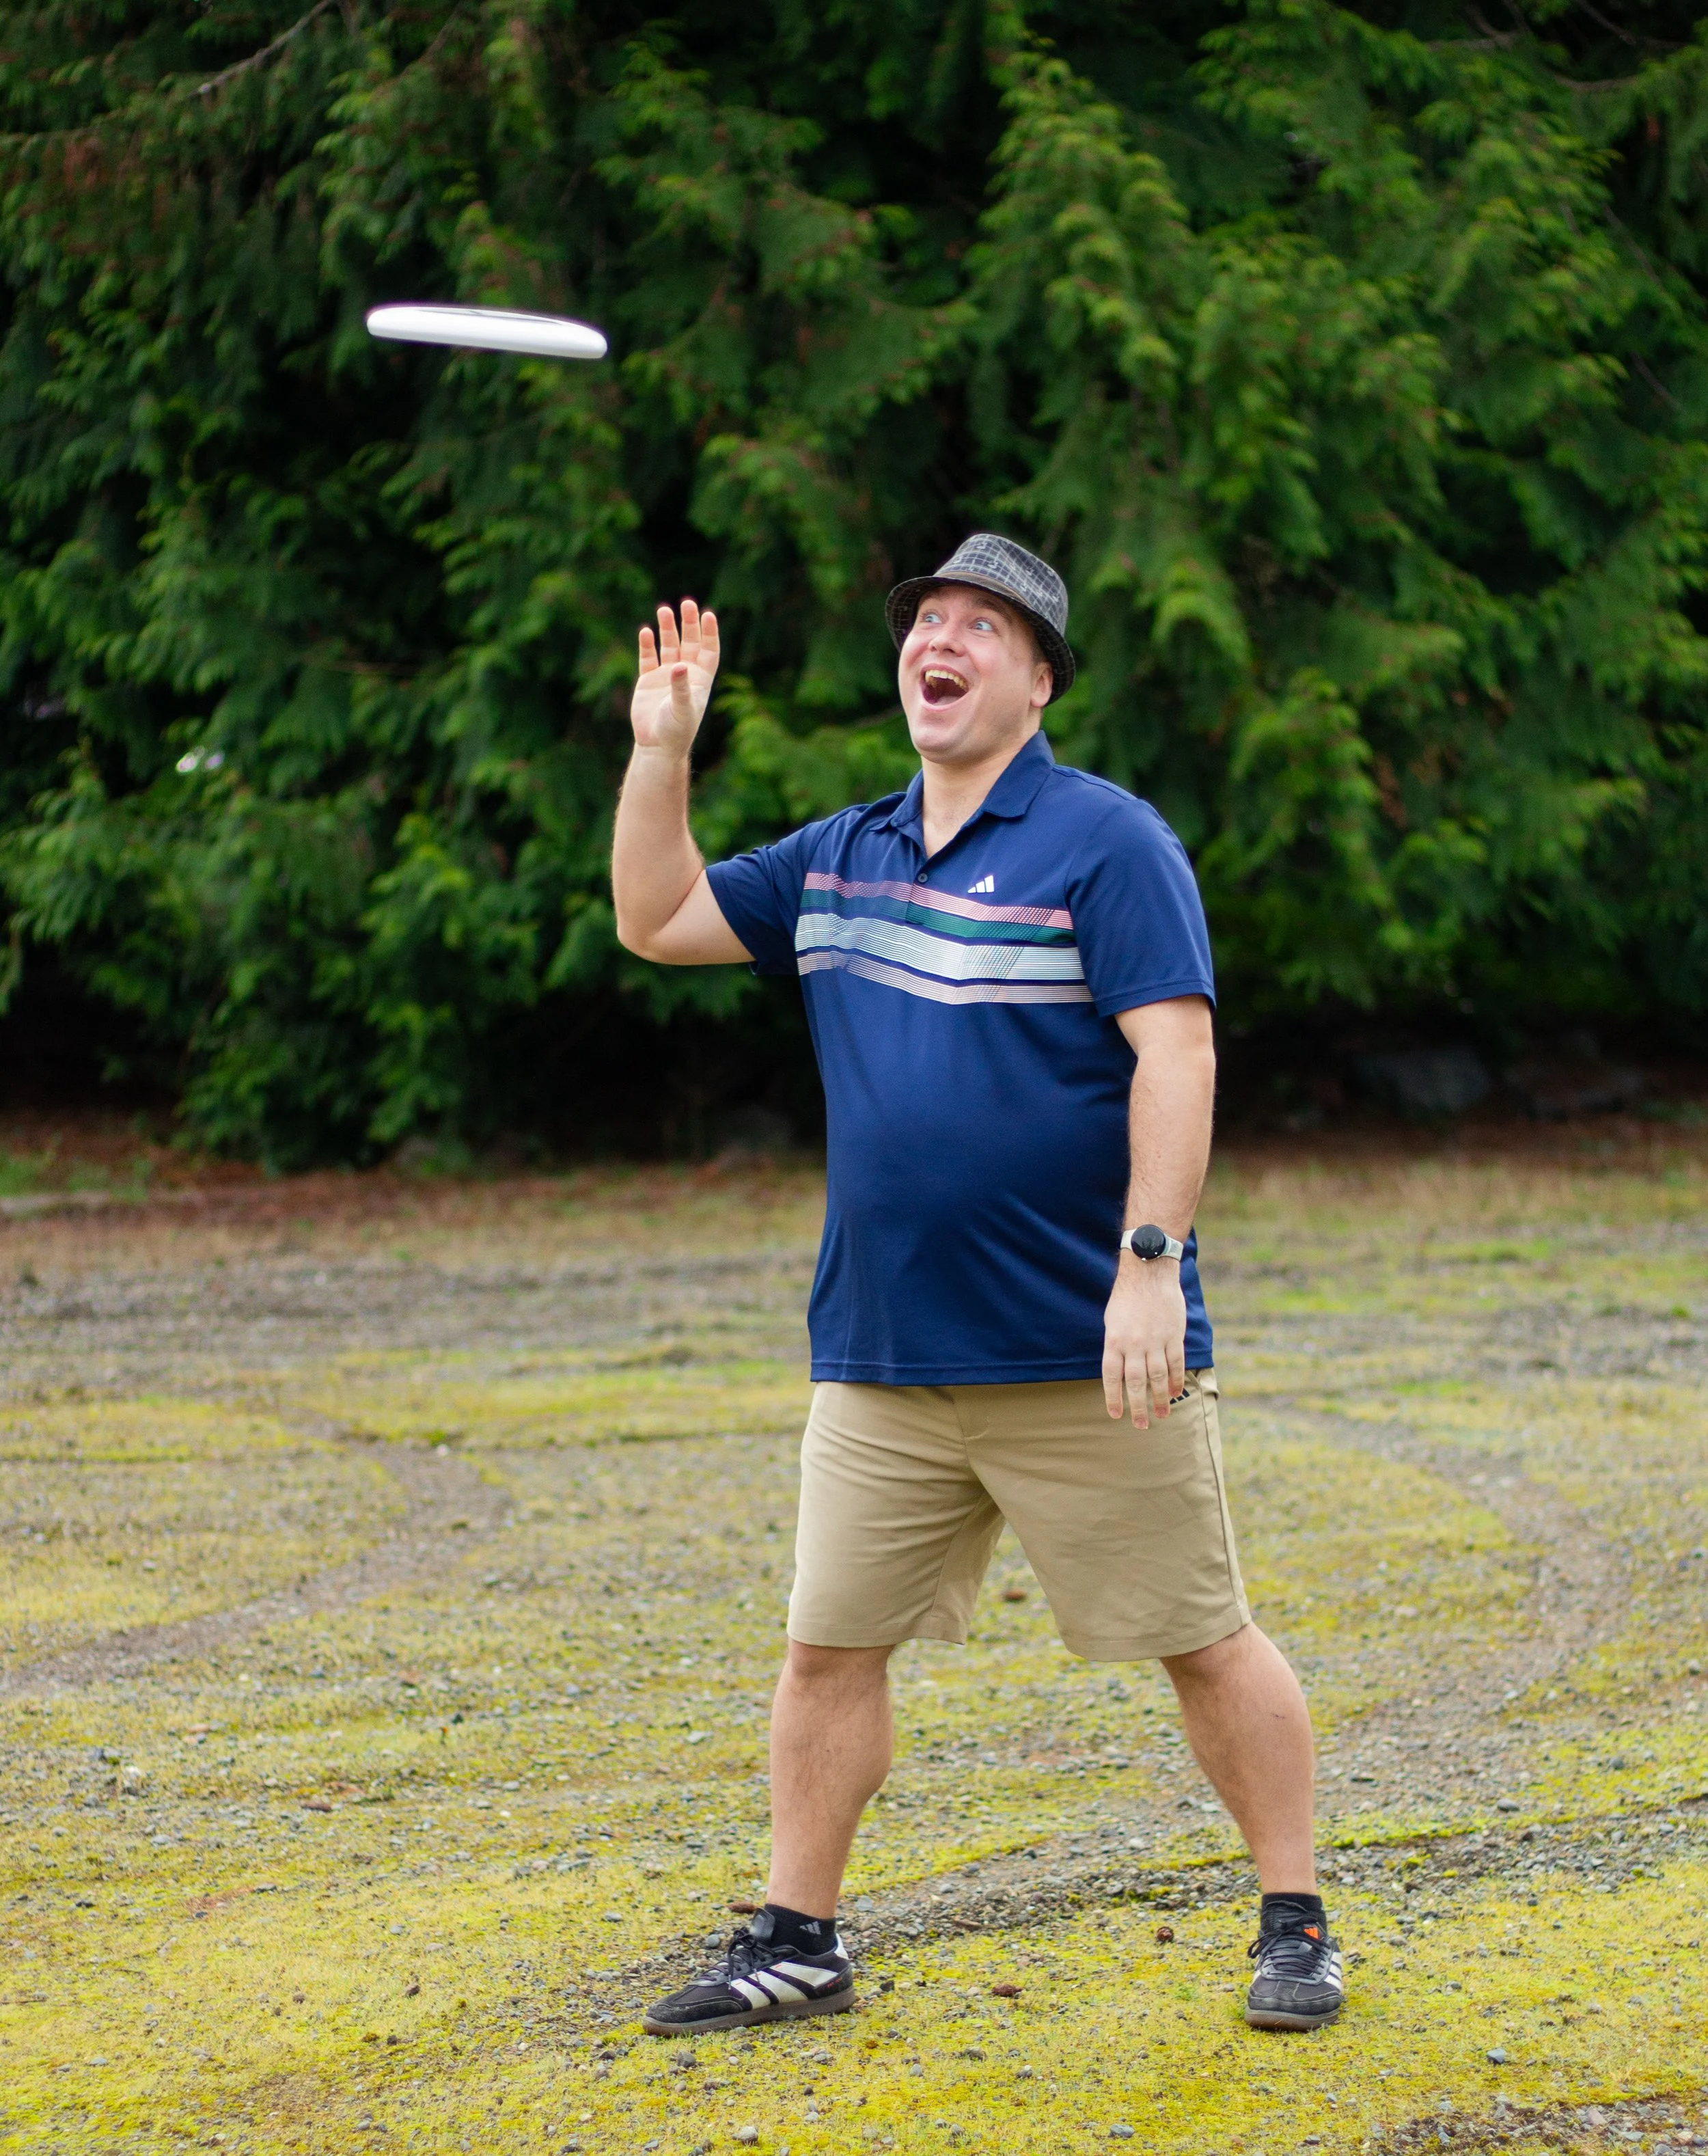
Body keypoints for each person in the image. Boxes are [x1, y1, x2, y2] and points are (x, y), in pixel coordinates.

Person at [609, 533, 1343, 2037]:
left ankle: (1295, 1922)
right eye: (924, 622)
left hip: (1084, 1350)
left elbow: (1177, 1053)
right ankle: (800, 1936)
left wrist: (1151, 1264)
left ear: (1036, 676)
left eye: (977, 627)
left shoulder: (1106, 841)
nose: (935, 643)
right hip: (882, 1351)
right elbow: (656, 917)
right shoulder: (840, 853)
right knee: (825, 1648)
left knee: (1202, 1637)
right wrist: (660, 753)